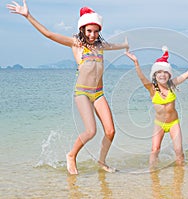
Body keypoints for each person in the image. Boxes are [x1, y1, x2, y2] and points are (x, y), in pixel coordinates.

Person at [7, 0, 129, 174]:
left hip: (99, 93)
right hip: (83, 94)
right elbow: (48, 34)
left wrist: (126, 45)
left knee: (110, 131)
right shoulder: (76, 44)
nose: (93, 35)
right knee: (91, 131)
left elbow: (117, 45)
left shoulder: (101, 46)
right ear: (82, 30)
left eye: (96, 31)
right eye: (89, 31)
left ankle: (101, 161)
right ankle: (71, 155)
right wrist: (28, 16)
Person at [125, 46, 188, 168]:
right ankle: (153, 175)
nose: (162, 75)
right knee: (155, 149)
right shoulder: (151, 88)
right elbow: (141, 77)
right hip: (159, 124)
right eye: (159, 72)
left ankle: (179, 176)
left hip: (173, 123)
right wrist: (136, 62)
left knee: (178, 151)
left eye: (165, 72)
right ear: (155, 75)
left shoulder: (172, 84)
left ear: (169, 74)